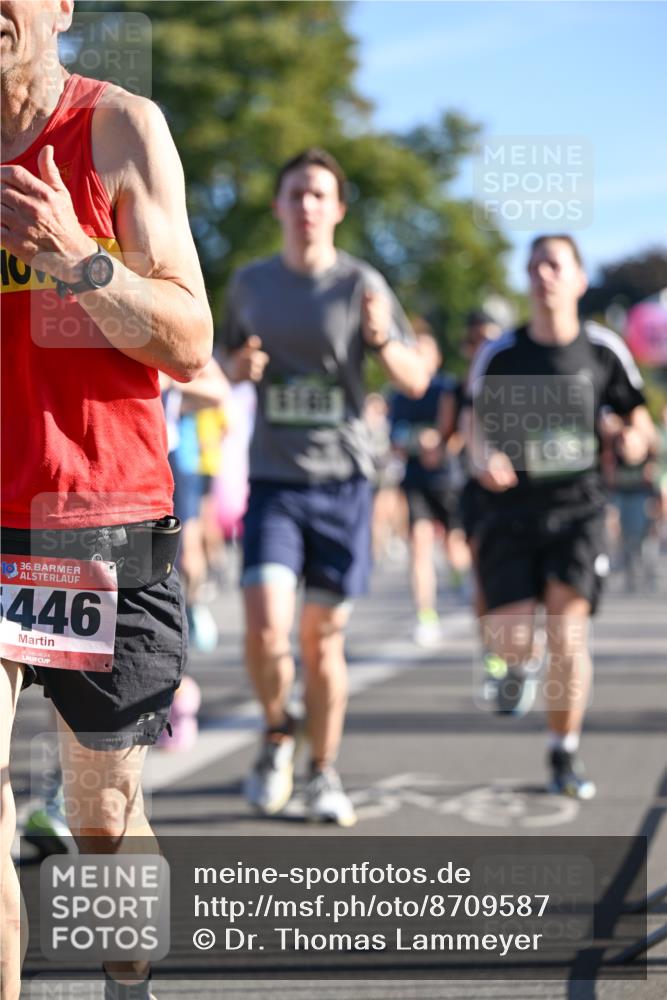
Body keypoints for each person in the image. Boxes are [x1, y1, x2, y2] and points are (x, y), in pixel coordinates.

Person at [1, 2, 213, 998]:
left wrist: (75, 258)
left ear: (61, 7)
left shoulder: (119, 127)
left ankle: (129, 982)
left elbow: (189, 341)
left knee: (101, 818)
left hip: (101, 526)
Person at [222, 148, 428, 826]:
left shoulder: (361, 283)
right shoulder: (250, 284)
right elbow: (217, 363)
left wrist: (381, 340)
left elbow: (414, 379)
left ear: (337, 209)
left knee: (322, 640)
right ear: (278, 205)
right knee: (265, 630)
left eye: (319, 195)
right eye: (296, 194)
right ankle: (277, 732)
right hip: (274, 482)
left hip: (343, 484)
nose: (307, 205)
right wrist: (237, 367)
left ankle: (322, 773)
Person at [467, 235, 655, 798]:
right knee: (512, 641)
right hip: (512, 513)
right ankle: (516, 665)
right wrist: (485, 459)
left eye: (554, 264)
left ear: (578, 278)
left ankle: (564, 751)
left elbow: (640, 422)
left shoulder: (603, 350)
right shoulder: (501, 354)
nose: (543, 275)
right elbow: (475, 430)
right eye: (534, 267)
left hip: (579, 511)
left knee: (569, 636)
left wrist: (633, 440)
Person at [389, 324, 469, 646]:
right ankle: (425, 615)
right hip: (415, 480)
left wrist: (441, 444)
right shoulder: (399, 393)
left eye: (425, 351)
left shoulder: (446, 389)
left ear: (437, 357)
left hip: (447, 480)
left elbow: (459, 431)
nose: (419, 356)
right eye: (414, 351)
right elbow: (394, 438)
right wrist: (414, 442)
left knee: (454, 546)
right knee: (419, 545)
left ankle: (464, 582)